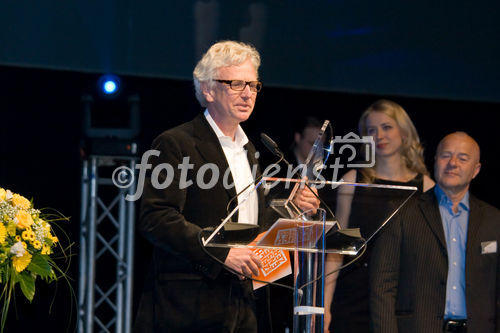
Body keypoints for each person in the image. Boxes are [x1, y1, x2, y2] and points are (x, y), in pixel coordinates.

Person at [133, 40, 319, 333]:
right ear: (207, 89)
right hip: (189, 309)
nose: (248, 94)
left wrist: (293, 209)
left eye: (253, 85)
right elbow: (156, 218)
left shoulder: (250, 151)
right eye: (236, 84)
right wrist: (221, 252)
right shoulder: (176, 143)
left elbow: (249, 226)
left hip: (244, 306)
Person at [370, 131, 500, 333]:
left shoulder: (494, 220)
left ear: (476, 170)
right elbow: (382, 286)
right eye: (446, 155)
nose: (453, 163)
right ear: (435, 161)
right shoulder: (402, 213)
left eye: (463, 158)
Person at [324, 99, 434, 332]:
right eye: (371, 130)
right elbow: (337, 249)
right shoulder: (352, 180)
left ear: (404, 132)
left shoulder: (426, 186)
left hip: (403, 302)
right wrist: (324, 305)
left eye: (386, 127)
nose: (379, 136)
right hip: (353, 298)